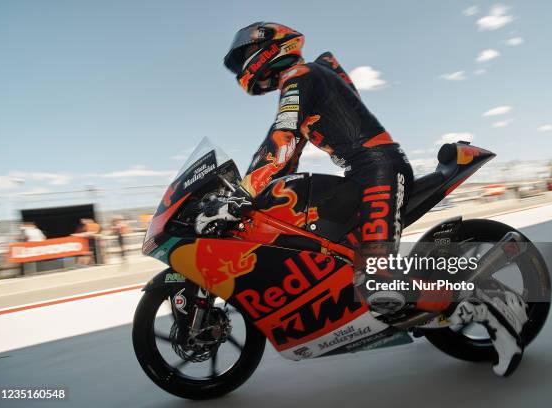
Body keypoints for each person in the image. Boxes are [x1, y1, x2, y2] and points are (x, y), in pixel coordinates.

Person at [196, 22, 529, 376]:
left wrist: (242, 195)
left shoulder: (299, 75)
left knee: (376, 281)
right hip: (363, 174)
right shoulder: (305, 78)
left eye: (246, 54)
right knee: (347, 267)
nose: (245, 65)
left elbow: (283, 138)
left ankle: (492, 304)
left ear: (268, 47)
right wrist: (252, 192)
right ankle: (415, 310)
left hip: (379, 170)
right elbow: (285, 153)